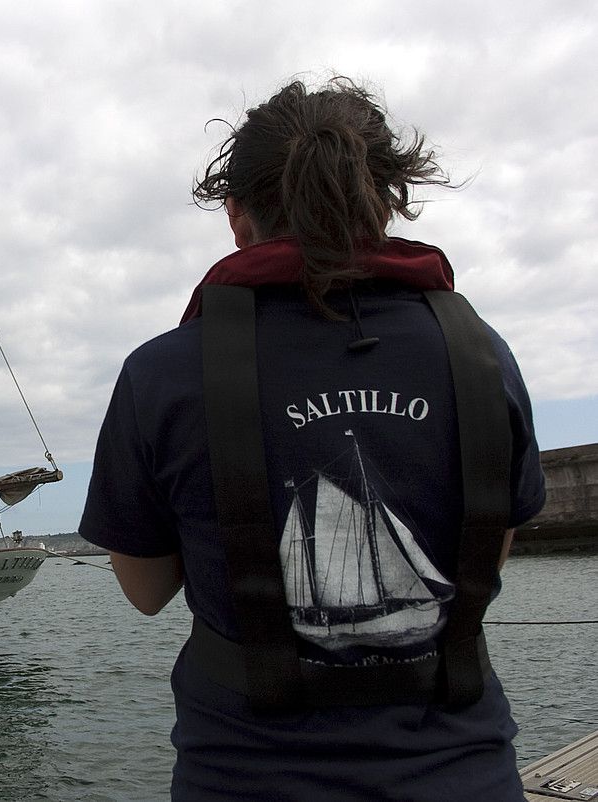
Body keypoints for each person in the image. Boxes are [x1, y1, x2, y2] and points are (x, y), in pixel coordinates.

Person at [78, 77, 546, 801]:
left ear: (236, 218)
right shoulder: (480, 354)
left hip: (241, 779)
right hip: (465, 775)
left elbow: (145, 590)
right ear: (386, 201)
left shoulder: (162, 374)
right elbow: (486, 555)